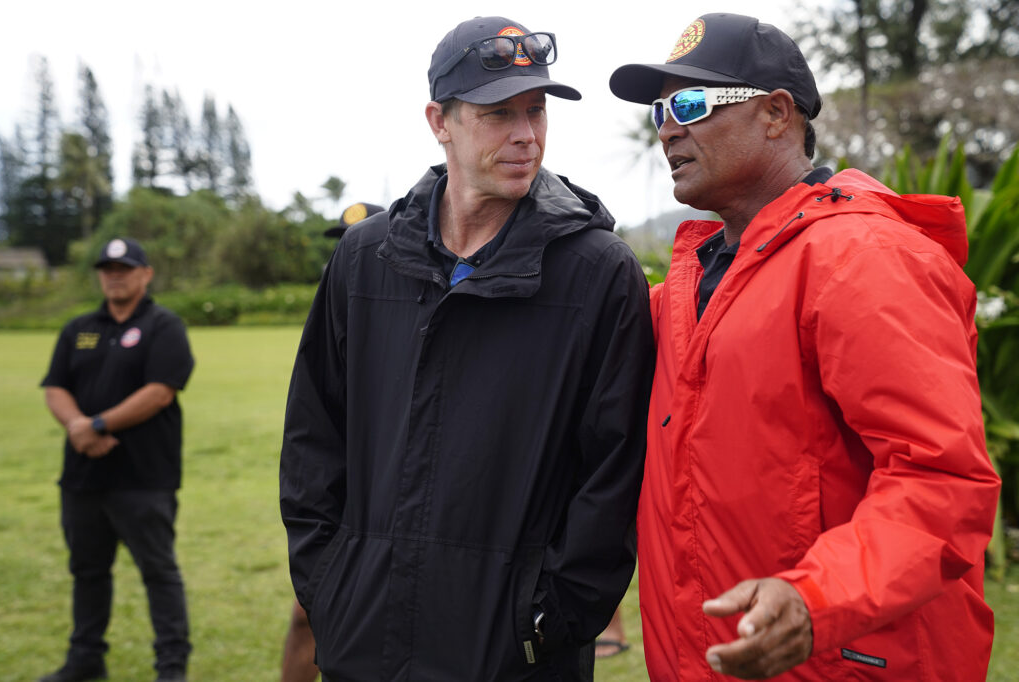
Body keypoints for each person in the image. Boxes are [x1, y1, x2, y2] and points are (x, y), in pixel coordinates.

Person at [609, 13, 1000, 681]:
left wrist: (817, 599)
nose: (670, 127)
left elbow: (941, 480)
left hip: (846, 660)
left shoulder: (862, 257)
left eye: (693, 103)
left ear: (775, 114)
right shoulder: (686, 289)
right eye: (661, 110)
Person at [280, 15, 654, 681]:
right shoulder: (365, 261)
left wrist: (547, 621)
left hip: (516, 655)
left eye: (537, 110)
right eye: (498, 112)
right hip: (365, 638)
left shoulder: (598, 272)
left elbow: (614, 473)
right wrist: (329, 586)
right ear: (439, 120)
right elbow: (314, 435)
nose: (526, 135)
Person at [39, 237, 195, 682]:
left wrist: (99, 425)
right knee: (87, 571)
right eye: (107, 269)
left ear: (145, 274)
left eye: (124, 268)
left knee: (158, 572)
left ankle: (171, 667)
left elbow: (161, 390)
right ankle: (85, 658)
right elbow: (55, 387)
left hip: (144, 477)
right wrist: (78, 428)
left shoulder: (164, 326)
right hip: (83, 476)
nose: (114, 275)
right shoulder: (79, 328)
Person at [280, 202, 383, 682]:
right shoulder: (336, 296)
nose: (347, 249)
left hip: (387, 498)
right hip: (336, 493)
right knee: (307, 614)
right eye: (340, 240)